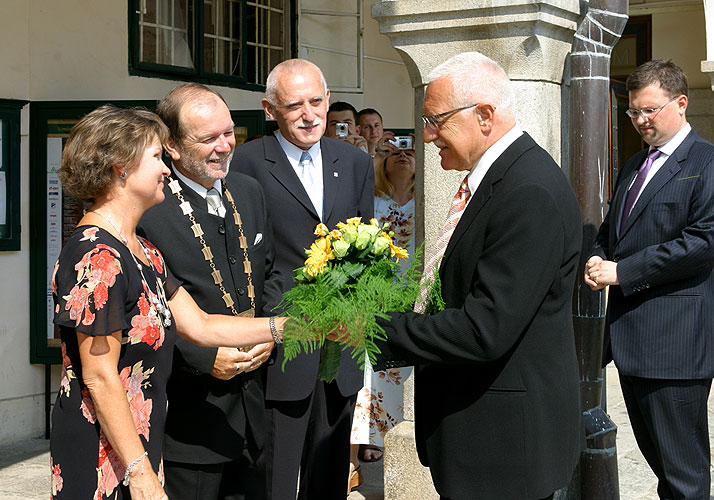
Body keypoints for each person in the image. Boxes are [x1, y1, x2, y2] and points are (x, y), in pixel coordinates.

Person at [369, 52, 583, 499]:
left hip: (504, 452)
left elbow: (485, 329)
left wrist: (372, 328)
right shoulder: (499, 178)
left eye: (436, 120)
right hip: (481, 439)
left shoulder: (528, 190)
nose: (426, 136)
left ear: (484, 116)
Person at [49, 104, 287, 500]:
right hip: (105, 454)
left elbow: (203, 326)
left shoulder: (142, 250)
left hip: (138, 446)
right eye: (157, 157)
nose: (166, 169)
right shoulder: (95, 257)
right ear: (120, 168)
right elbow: (99, 376)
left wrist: (293, 327)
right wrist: (140, 472)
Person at [232, 58, 374, 499]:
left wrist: (357, 314)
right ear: (270, 109)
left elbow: (366, 251)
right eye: (295, 105)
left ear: (329, 100)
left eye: (316, 101)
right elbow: (244, 263)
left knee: (329, 478)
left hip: (341, 348)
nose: (309, 115)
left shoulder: (354, 162)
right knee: (273, 478)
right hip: (281, 347)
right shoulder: (246, 163)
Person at [137, 83, 281, 500]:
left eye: (229, 132)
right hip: (191, 419)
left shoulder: (250, 192)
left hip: (257, 412)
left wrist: (264, 334)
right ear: (172, 147)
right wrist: (204, 357)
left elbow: (271, 273)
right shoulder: (150, 210)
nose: (225, 146)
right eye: (208, 138)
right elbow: (146, 310)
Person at [585, 60, 714, 499]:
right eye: (633, 112)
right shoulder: (633, 167)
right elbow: (611, 234)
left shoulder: (707, 162)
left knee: (684, 477)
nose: (640, 120)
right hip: (632, 342)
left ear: (680, 103)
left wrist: (622, 272)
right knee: (663, 471)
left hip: (676, 347)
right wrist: (598, 257)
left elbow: (703, 243)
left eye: (649, 110)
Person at [348, 142, 416, 492]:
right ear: (382, 164)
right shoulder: (374, 203)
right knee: (371, 372)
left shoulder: (428, 204)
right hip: (376, 298)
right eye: (394, 152)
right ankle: (367, 440)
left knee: (403, 370)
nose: (403, 156)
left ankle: (399, 432)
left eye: (409, 151)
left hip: (415, 296)